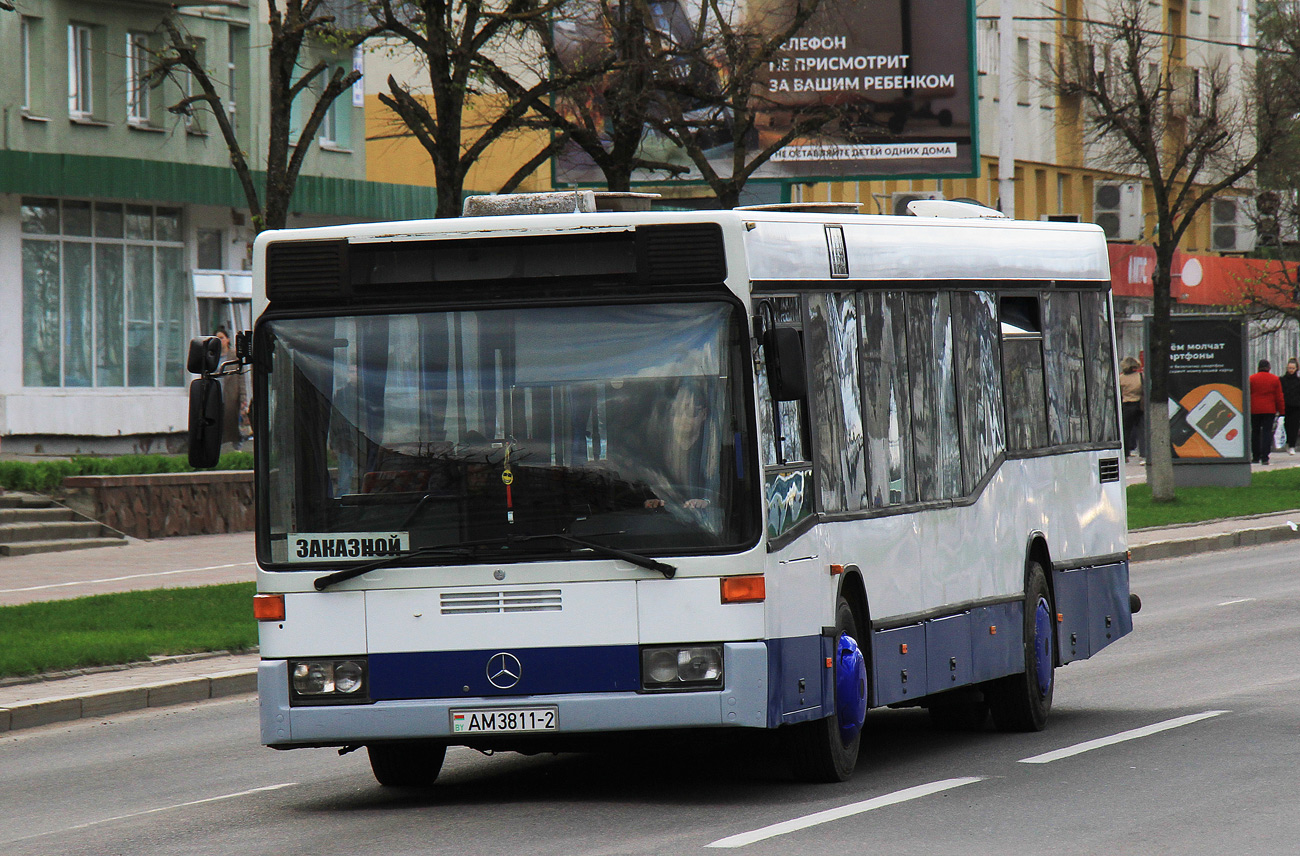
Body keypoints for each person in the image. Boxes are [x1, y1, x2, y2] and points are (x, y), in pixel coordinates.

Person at [1249, 359, 1286, 465]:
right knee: (1267, 432)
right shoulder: (1275, 379)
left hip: (1254, 409)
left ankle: (1255, 456)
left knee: (1255, 432)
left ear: (1258, 367)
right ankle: (1265, 457)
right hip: (1269, 409)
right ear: (1269, 368)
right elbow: (1279, 396)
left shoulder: (1252, 379)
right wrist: (1282, 411)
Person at [1119, 356, 1144, 461]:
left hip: (1126, 405)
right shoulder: (1140, 376)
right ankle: (1144, 454)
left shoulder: (1121, 378)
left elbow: (1119, 392)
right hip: (1139, 405)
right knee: (1142, 430)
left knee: (1126, 430)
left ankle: (1125, 454)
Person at [1282, 358, 1300, 456]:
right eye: (1289, 368)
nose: (1291, 370)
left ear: (1296, 369)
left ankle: (1292, 445)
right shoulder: (1282, 380)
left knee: (1294, 426)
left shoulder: (1298, 381)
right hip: (1285, 406)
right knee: (1286, 425)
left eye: (1293, 368)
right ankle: (1288, 442)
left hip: (1296, 406)